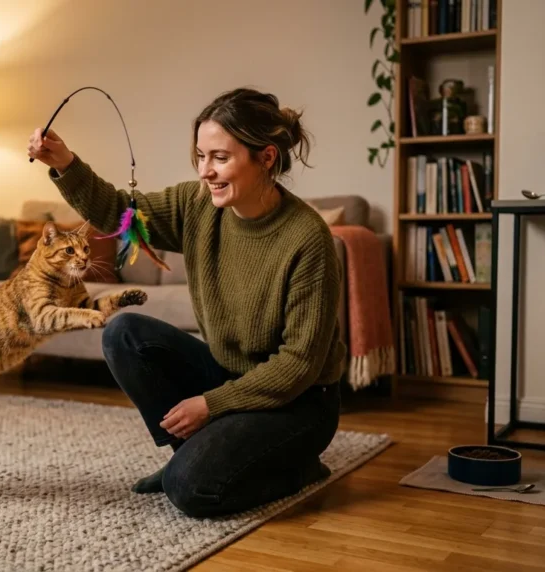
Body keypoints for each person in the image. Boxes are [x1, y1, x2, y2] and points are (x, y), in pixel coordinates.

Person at [27, 87, 345, 518]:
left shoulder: (307, 240)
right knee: (123, 332)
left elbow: (298, 365)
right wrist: (64, 163)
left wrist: (211, 405)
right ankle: (191, 456)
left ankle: (298, 469)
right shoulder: (196, 204)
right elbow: (121, 211)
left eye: (220, 157)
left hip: (299, 404)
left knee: (191, 491)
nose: (205, 172)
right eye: (200, 156)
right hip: (228, 373)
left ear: (266, 158)